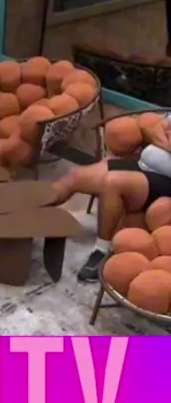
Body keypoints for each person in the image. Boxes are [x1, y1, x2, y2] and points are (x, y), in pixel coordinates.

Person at [53, 115, 171, 280]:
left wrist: (164, 137)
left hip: (165, 180)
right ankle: (28, 210)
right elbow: (151, 128)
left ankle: (102, 250)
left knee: (113, 182)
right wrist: (166, 145)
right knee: (75, 176)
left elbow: (159, 131)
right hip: (142, 164)